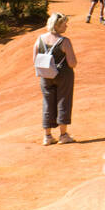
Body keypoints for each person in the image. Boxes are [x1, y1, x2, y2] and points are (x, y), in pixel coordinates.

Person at [34, 12, 78, 145]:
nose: (66, 26)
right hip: (63, 75)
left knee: (47, 103)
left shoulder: (39, 39)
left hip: (45, 75)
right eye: (64, 24)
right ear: (57, 26)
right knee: (63, 101)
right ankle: (63, 135)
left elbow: (35, 59)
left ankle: (47, 137)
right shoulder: (64, 41)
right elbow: (72, 63)